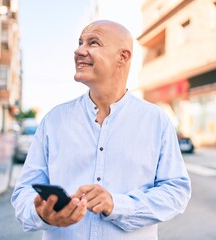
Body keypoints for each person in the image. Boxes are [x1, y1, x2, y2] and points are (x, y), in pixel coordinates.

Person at [11, 20, 191, 239]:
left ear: (122, 57)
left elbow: (176, 191)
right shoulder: (53, 121)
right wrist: (42, 214)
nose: (79, 51)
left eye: (93, 42)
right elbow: (23, 192)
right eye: (80, 43)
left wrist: (118, 205)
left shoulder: (156, 121)